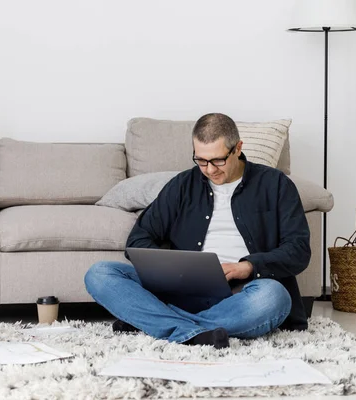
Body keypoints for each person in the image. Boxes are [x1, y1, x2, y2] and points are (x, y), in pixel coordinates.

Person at [84, 113, 311, 349]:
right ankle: (193, 331)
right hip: (182, 288)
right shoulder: (182, 185)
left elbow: (298, 250)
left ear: (238, 148)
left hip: (242, 293)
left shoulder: (275, 184)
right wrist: (170, 268)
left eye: (218, 160)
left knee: (274, 297)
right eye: (201, 161)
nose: (210, 170)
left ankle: (155, 321)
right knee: (100, 273)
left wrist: (247, 267)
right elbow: (139, 237)